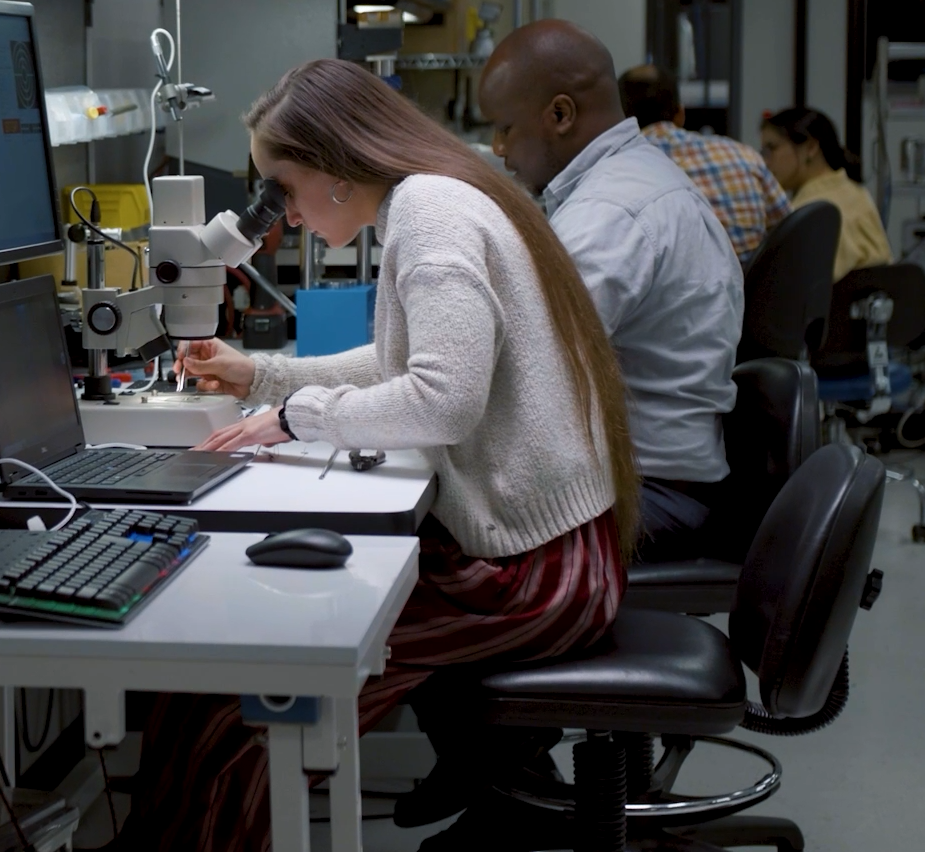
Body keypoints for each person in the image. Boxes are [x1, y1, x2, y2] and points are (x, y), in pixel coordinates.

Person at [117, 57, 639, 852]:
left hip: (536, 577)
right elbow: (410, 361)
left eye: (281, 189)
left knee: (238, 687)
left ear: (334, 165)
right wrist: (262, 376)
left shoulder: (430, 211)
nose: (281, 217)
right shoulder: (433, 197)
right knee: (237, 648)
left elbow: (443, 397)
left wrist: (295, 416)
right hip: (545, 553)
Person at [479, 20, 744, 560]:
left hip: (649, 496)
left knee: (422, 555)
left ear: (560, 114)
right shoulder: (628, 182)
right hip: (661, 479)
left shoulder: (610, 214)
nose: (497, 147)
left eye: (506, 127)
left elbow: (520, 371)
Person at [618, 63, 791, 266]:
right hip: (756, 293)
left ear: (620, 120)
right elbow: (789, 229)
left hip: (681, 294)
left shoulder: (617, 172)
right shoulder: (744, 155)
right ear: (680, 114)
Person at [758, 106, 892, 281]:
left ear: (811, 147)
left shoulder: (813, 211)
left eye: (772, 148)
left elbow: (794, 292)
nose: (764, 161)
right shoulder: (854, 193)